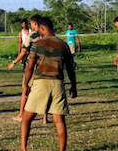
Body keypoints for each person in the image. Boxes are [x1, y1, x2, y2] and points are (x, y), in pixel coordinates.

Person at [20, 17, 77, 151]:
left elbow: (30, 66)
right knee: (59, 120)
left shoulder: (38, 44)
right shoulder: (63, 44)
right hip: (58, 83)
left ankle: (23, 148)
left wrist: (26, 85)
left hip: (41, 83)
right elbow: (70, 68)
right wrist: (74, 86)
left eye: (38, 29)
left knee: (26, 118)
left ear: (42, 28)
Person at [8, 14, 48, 123]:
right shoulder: (47, 35)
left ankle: (21, 115)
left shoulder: (32, 36)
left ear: (35, 23)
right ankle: (45, 118)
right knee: (44, 91)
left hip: (32, 66)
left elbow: (24, 51)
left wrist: (14, 62)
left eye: (31, 23)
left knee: (25, 89)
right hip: (45, 66)